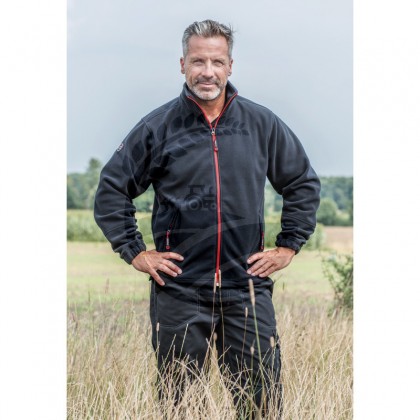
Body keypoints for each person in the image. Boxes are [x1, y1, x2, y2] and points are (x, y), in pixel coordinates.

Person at [94, 19, 320, 417]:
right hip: (180, 291)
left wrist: (289, 245)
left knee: (261, 404)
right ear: (182, 64)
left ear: (230, 65)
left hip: (246, 289)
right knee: (178, 405)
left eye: (217, 61)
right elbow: (112, 190)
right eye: (198, 61)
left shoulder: (261, 124)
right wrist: (135, 252)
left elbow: (301, 182)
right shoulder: (157, 127)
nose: (208, 71)